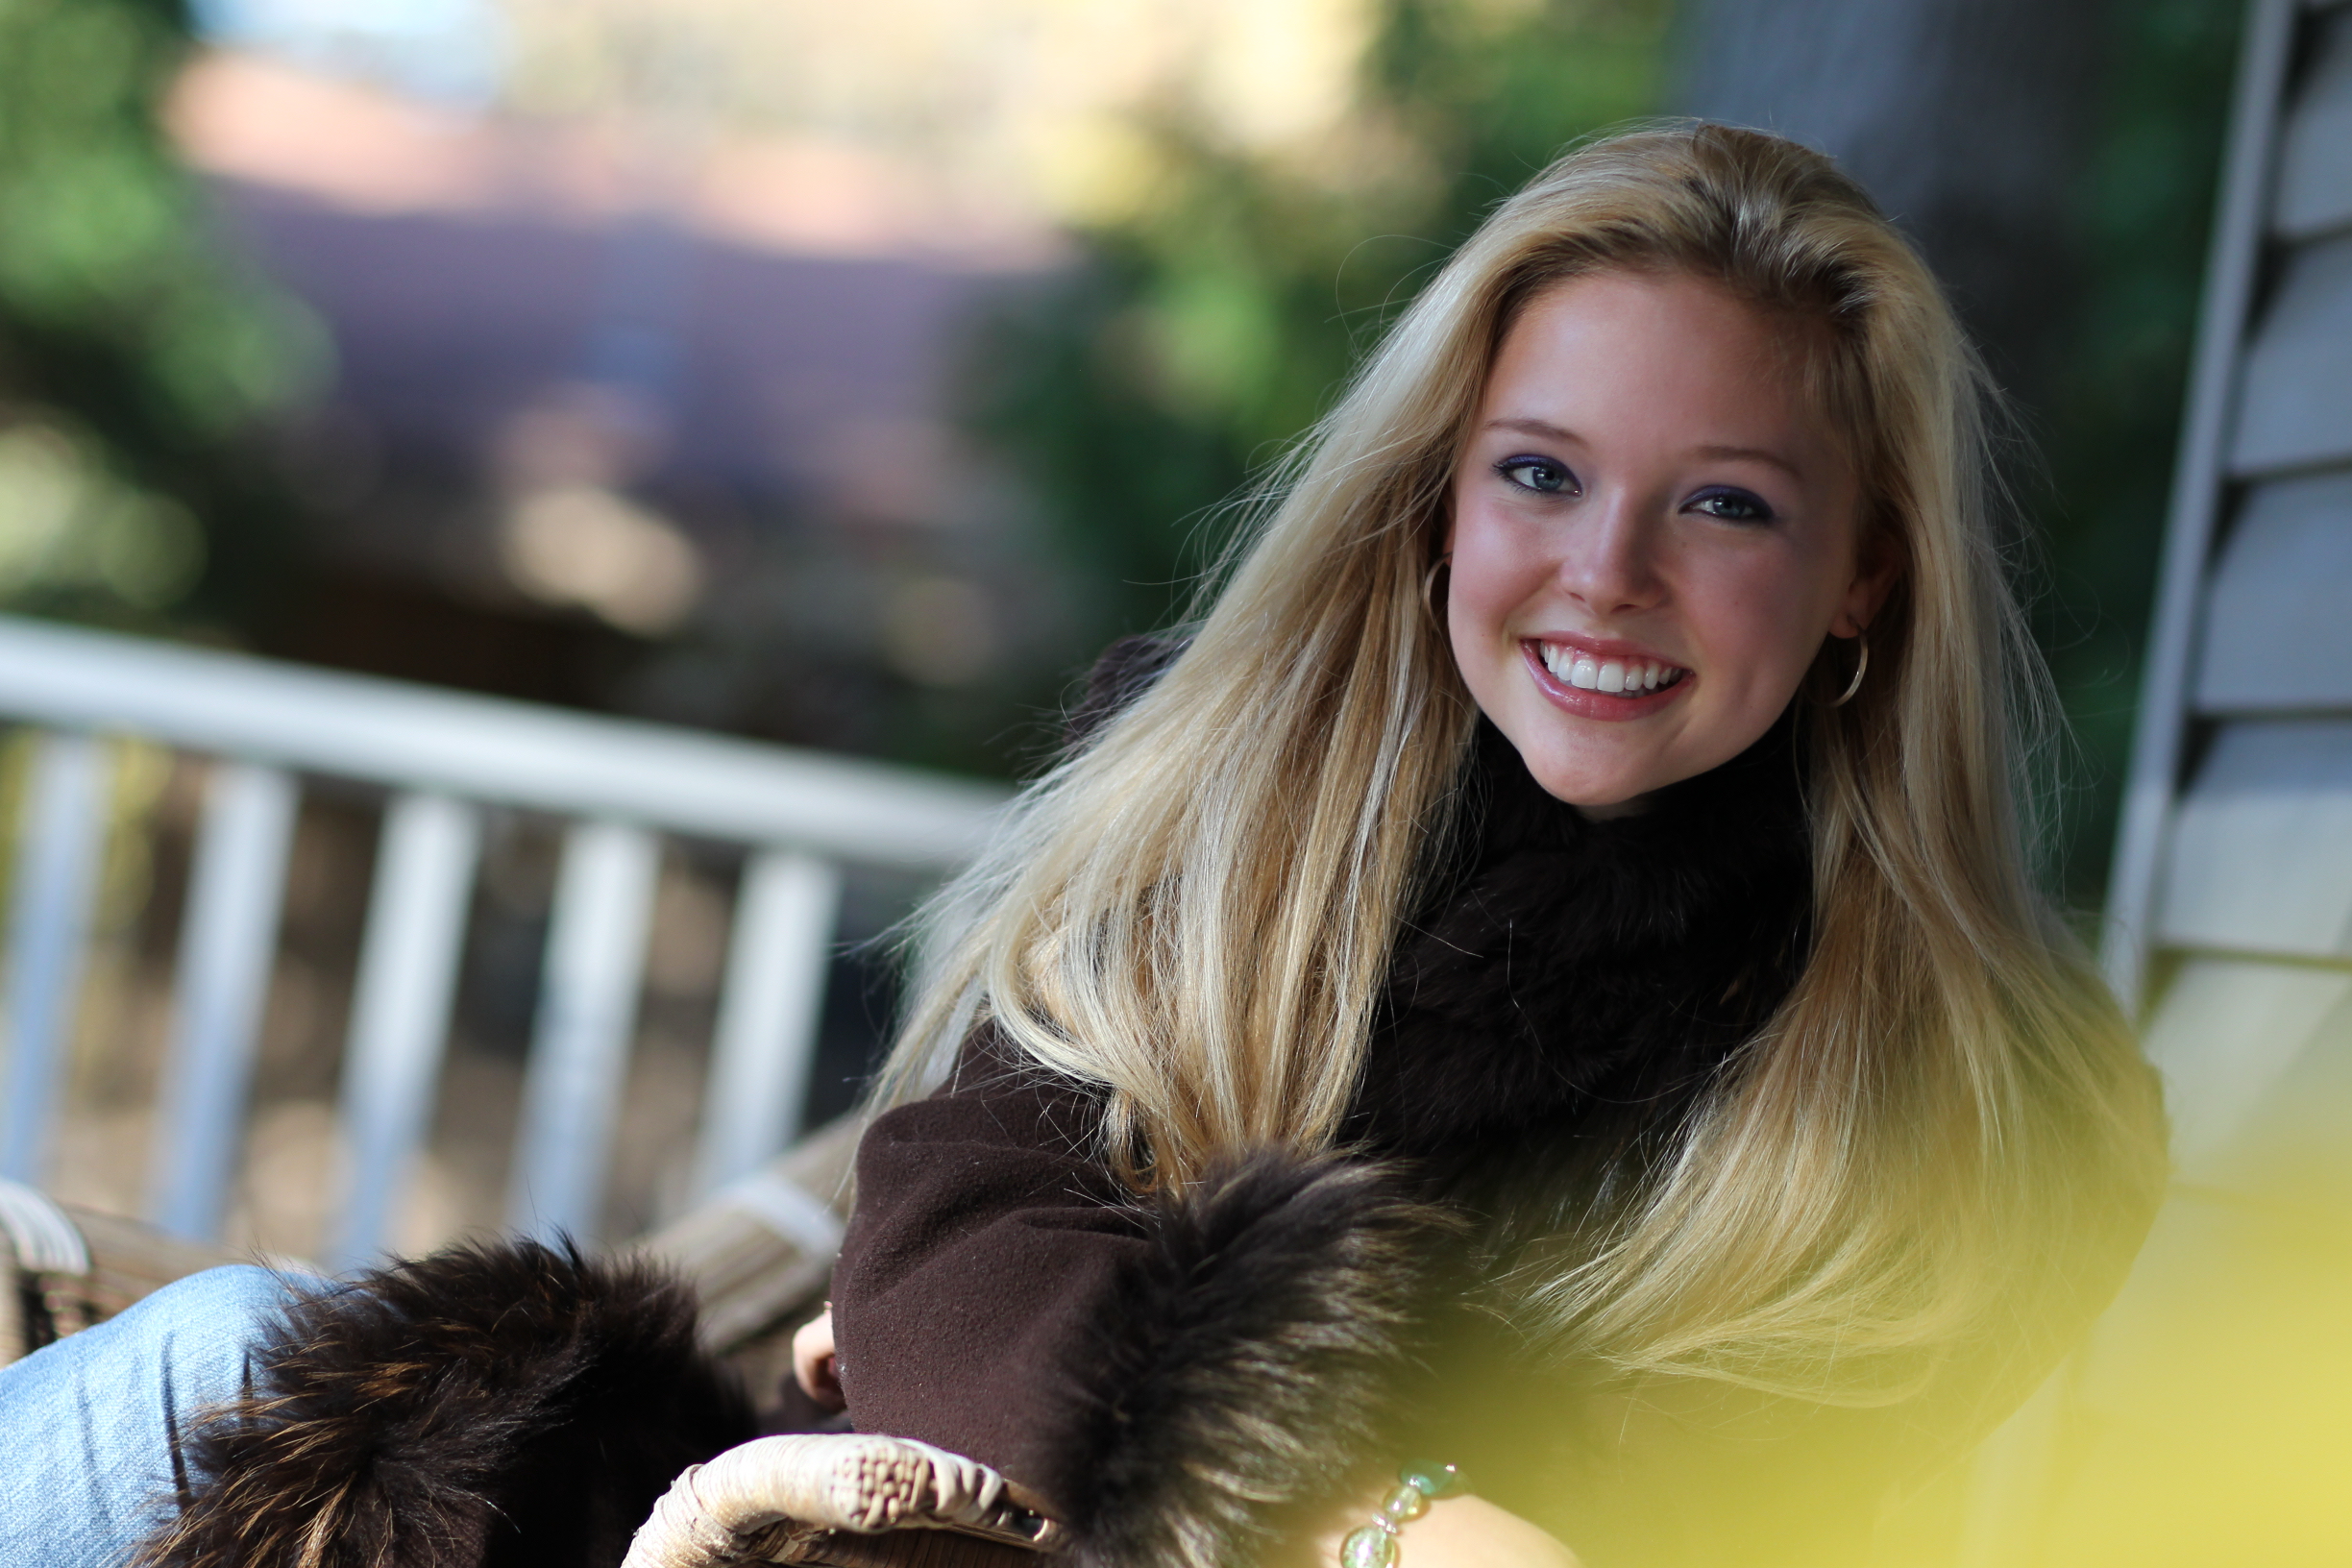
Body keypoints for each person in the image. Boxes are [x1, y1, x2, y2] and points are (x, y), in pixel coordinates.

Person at [0, 123, 2164, 1568]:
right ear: (1437, 499)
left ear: (1869, 569)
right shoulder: (1225, 778)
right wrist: (1368, 1503)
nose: (1601, 575)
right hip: (788, 1506)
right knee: (239, 1361)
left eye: (1723, 504)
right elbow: (942, 1246)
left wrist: (1085, 1331)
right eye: (1538, 476)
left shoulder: (1986, 1107)